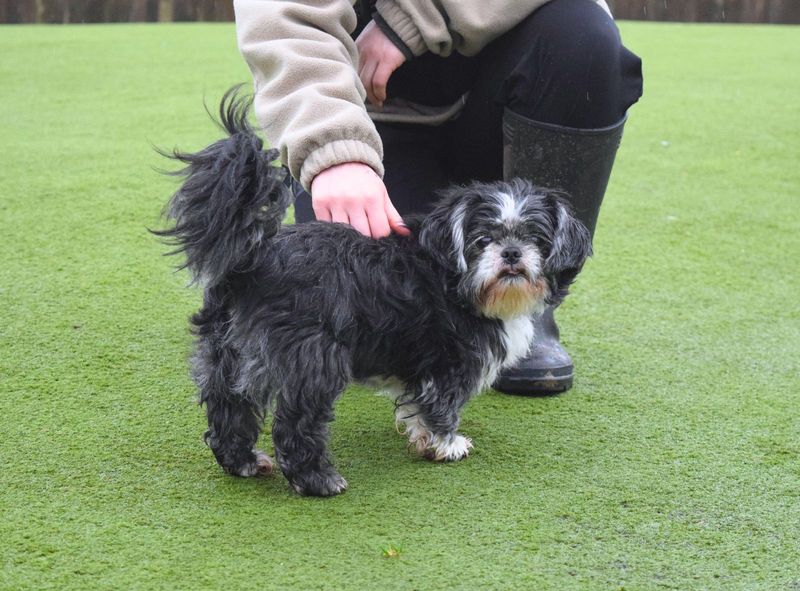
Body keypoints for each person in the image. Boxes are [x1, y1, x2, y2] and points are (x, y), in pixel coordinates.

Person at [233, 0, 643, 394]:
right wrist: (333, 148)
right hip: (370, 126)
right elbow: (284, 17)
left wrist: (412, 19)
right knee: (350, 299)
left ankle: (527, 308)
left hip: (507, 108)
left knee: (584, 39)